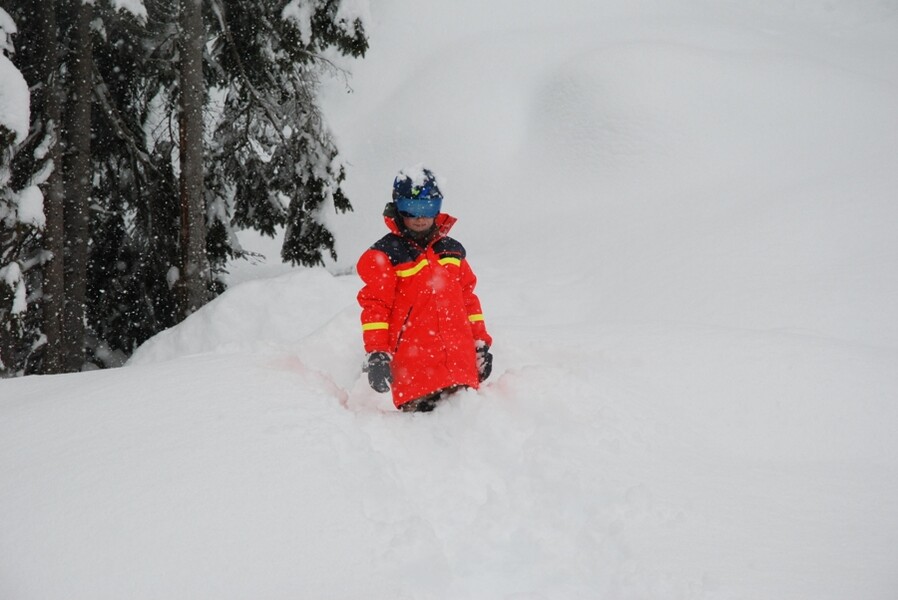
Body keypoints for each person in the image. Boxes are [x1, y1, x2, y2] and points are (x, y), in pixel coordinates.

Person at [356, 166, 493, 412]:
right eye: (412, 209)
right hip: (416, 377)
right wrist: (377, 353)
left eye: (427, 208)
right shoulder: (386, 255)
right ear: (398, 208)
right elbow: (376, 308)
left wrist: (480, 343)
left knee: (469, 428)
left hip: (461, 371)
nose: (420, 218)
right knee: (423, 433)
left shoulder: (451, 252)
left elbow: (469, 302)